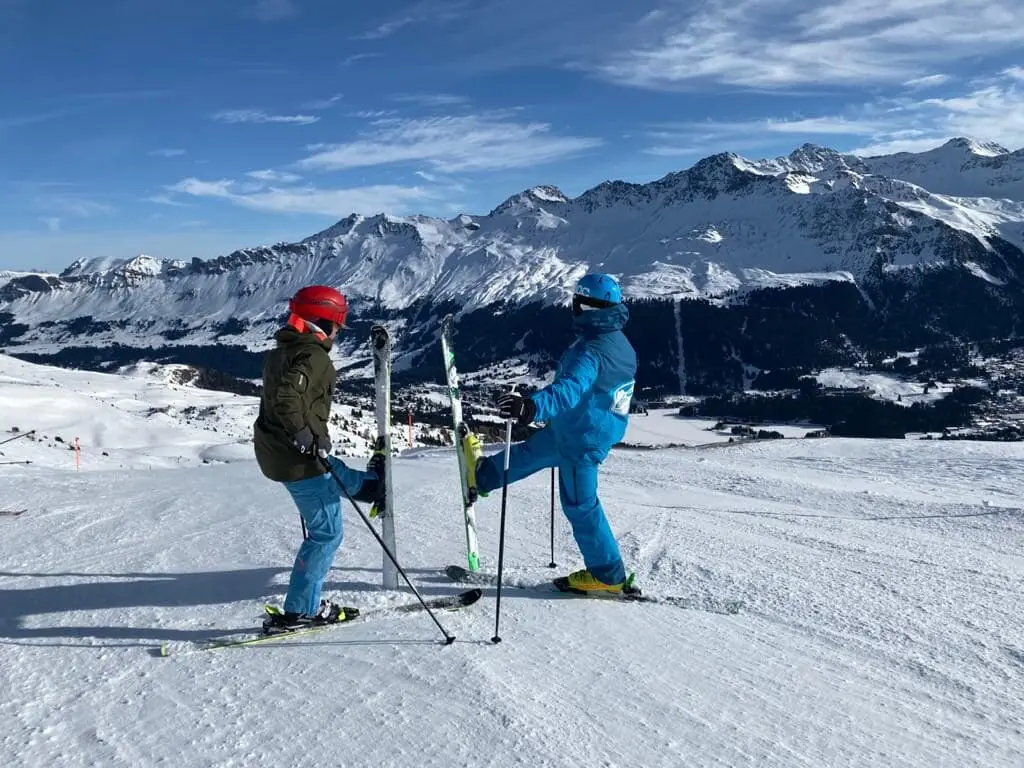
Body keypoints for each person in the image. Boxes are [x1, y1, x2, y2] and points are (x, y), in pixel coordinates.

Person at [462, 273, 638, 595]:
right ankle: (482, 476)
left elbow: (569, 389)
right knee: (529, 452)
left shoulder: (592, 351)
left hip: (582, 440)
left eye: (575, 302)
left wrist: (530, 408)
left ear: (583, 305)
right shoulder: (620, 343)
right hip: (572, 429)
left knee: (581, 505)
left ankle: (608, 576)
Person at [253, 285, 385, 630]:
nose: (339, 331)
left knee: (332, 469)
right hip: (296, 458)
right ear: (323, 321)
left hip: (278, 454)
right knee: (326, 535)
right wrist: (304, 437)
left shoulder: (282, 351)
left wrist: (309, 439)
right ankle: (300, 611)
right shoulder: (314, 357)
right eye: (338, 324)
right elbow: (286, 398)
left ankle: (370, 487)